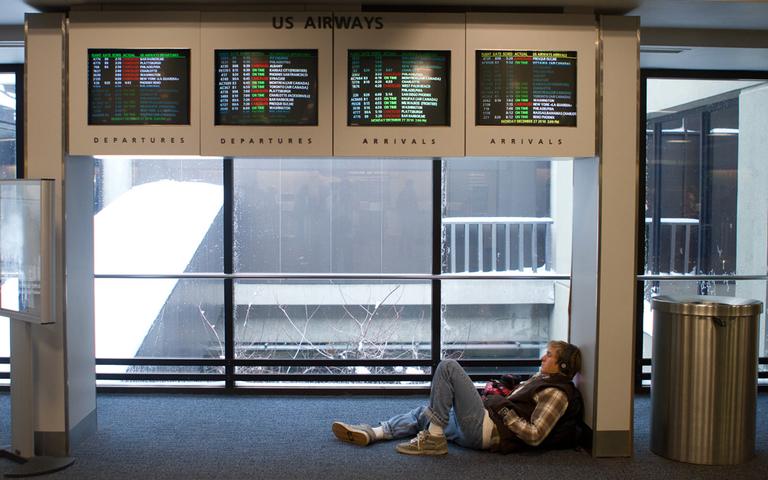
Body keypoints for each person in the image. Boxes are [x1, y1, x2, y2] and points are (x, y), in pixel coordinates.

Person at [331, 340, 583, 455]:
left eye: (549, 355)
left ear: (562, 366)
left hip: (489, 429)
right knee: (427, 413)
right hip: (484, 423)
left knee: (448, 367)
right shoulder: (544, 381)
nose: (543, 358)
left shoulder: (556, 393)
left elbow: (535, 435)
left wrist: (504, 410)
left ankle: (435, 439)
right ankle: (373, 433)